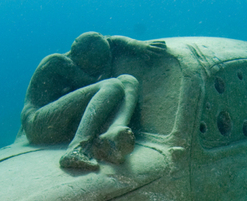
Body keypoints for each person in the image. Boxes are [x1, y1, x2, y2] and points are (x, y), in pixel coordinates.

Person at [21, 32, 167, 171]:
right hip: (38, 125)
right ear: (80, 57)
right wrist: (106, 69)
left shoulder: (85, 51)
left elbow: (111, 40)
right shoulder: (57, 62)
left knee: (127, 80)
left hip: (64, 123)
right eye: (95, 65)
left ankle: (112, 133)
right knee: (112, 85)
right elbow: (92, 82)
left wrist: (137, 45)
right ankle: (77, 149)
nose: (99, 69)